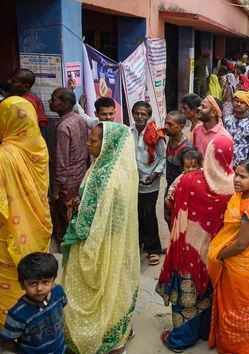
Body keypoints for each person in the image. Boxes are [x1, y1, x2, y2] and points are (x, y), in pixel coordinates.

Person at [62, 122, 139, 354]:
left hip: (98, 242)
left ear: (108, 145)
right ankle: (119, 330)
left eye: (93, 140)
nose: (88, 143)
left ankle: (108, 337)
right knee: (114, 285)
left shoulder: (108, 177)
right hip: (110, 240)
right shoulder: (105, 166)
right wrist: (79, 202)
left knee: (99, 286)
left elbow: (95, 217)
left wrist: (77, 227)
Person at [157, 135, 235, 351]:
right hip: (215, 251)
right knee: (208, 289)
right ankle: (204, 332)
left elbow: (171, 203)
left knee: (187, 289)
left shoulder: (187, 180)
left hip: (188, 248)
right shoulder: (234, 184)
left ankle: (181, 339)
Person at [0, 97, 52, 331]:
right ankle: (40, 323)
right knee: (38, 276)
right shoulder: (39, 149)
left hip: (4, 232)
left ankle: (11, 330)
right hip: (36, 226)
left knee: (9, 278)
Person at [208, 160, 249, 354]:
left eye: (243, 176)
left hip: (241, 267)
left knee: (241, 313)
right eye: (236, 175)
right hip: (232, 266)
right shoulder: (238, 199)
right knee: (228, 309)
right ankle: (227, 346)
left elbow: (241, 244)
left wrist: (218, 254)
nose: (237, 180)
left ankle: (242, 349)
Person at [0, 253, 66, 354]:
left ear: (53, 281)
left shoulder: (58, 292)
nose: (39, 289)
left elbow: (63, 306)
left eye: (45, 282)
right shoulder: (18, 314)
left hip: (59, 349)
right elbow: (7, 339)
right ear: (22, 285)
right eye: (33, 283)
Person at [47, 88, 89, 244]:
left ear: (64, 104)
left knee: (66, 224)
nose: (50, 101)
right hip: (80, 178)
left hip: (67, 184)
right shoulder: (78, 119)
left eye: (53, 99)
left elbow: (61, 163)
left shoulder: (63, 127)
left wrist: (55, 191)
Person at [130, 101, 166, 265]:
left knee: (149, 214)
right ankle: (138, 244)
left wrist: (155, 174)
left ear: (149, 116)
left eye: (143, 114)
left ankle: (153, 249)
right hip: (132, 182)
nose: (139, 117)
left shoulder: (156, 134)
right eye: (137, 113)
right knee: (136, 214)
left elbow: (162, 157)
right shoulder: (127, 132)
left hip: (150, 182)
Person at [163, 111, 192, 225]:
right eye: (165, 123)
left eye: (170, 124)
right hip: (169, 186)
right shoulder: (170, 137)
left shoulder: (185, 148)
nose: (166, 127)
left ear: (180, 127)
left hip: (179, 190)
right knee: (168, 219)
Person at [8, 69, 48, 138]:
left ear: (26, 86)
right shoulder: (35, 99)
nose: (9, 82)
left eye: (14, 81)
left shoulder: (25, 102)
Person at [224, 91, 249, 167]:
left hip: (241, 165)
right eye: (236, 101)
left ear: (247, 106)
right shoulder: (227, 120)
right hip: (226, 162)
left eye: (242, 102)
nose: (238, 104)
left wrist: (246, 168)